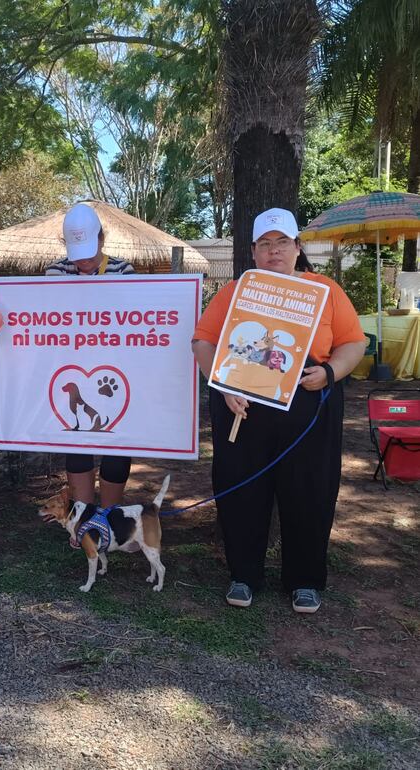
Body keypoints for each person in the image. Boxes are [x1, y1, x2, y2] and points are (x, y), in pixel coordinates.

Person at [191, 208, 366, 614]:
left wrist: (329, 372)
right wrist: (221, 383)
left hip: (310, 399)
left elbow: (353, 344)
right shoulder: (236, 290)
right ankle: (243, 575)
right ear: (253, 251)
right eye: (265, 244)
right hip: (243, 402)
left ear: (297, 247)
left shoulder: (325, 290)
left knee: (310, 489)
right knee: (242, 488)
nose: (273, 251)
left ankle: (305, 579)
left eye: (282, 242)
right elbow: (202, 342)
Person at [45, 203, 134, 508]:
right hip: (72, 366)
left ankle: (108, 517)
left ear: (101, 239)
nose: (81, 259)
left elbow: (133, 318)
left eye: (88, 249)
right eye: (75, 251)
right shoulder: (56, 270)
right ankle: (83, 519)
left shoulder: (124, 269)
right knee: (76, 438)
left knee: (118, 441)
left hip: (116, 366)